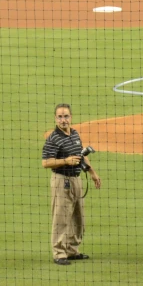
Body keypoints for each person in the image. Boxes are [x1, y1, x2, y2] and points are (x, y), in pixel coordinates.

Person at [42, 103, 101, 266]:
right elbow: (45, 162)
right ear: (55, 118)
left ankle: (72, 250)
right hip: (61, 180)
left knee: (78, 217)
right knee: (61, 217)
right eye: (60, 117)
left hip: (76, 180)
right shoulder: (53, 138)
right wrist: (65, 161)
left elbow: (81, 154)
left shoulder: (74, 134)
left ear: (71, 117)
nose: (63, 120)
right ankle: (59, 253)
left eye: (66, 116)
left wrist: (92, 172)